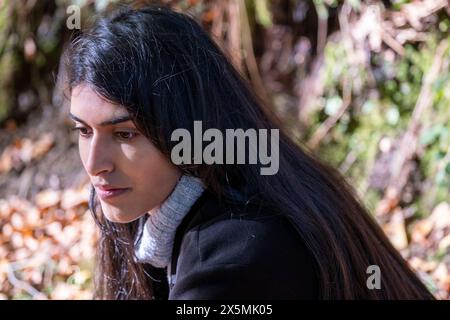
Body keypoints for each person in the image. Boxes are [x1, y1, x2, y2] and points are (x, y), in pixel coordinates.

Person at [63, 4, 434, 300]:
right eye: (83, 130)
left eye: (125, 134)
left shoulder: (236, 256)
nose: (95, 164)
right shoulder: (163, 205)